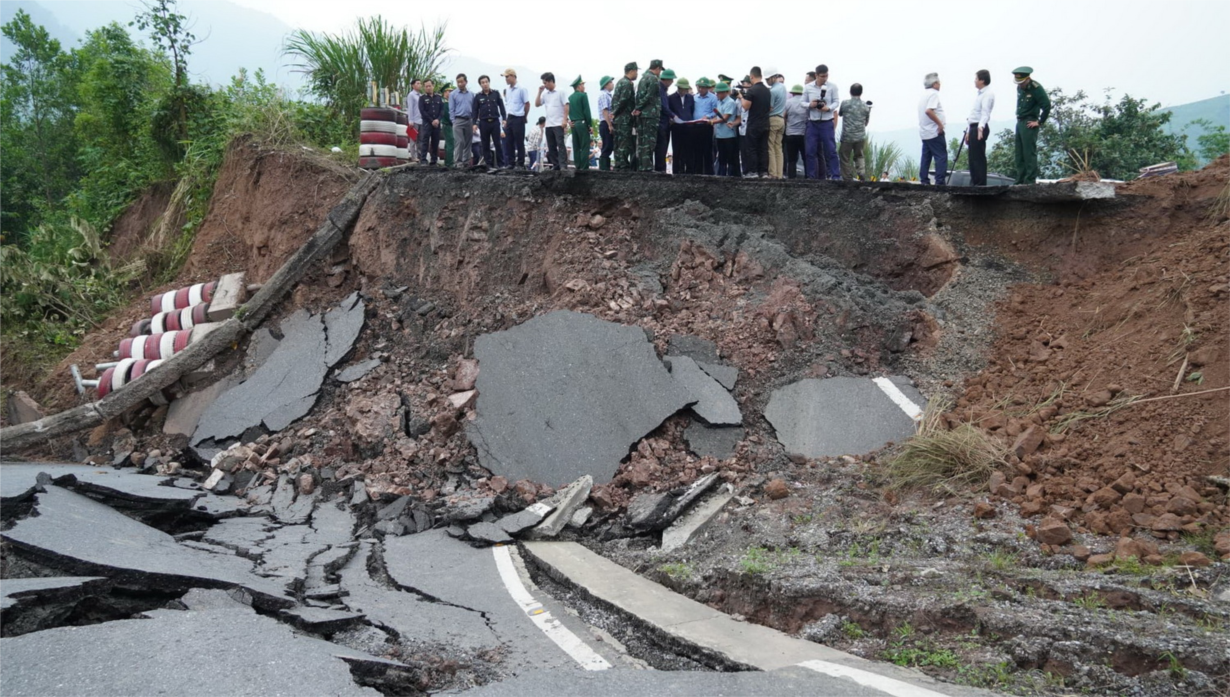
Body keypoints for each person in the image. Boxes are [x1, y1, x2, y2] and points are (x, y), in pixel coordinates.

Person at [1011, 66, 1050, 185]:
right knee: (1019, 153)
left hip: (1029, 122)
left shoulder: (1036, 88)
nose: (1020, 84)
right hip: (1020, 121)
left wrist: (1039, 122)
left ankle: (1029, 180)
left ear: (1028, 78)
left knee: (1029, 152)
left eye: (1022, 82)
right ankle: (1020, 179)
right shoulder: (1020, 88)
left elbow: (1046, 105)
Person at [803, 65, 840, 180]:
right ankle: (811, 176)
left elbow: (836, 101)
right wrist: (811, 104)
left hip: (826, 121)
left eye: (826, 75)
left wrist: (828, 108)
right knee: (810, 151)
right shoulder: (808, 87)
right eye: (822, 76)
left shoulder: (832, 86)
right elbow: (802, 102)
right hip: (813, 122)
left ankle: (835, 176)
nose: (825, 78)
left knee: (831, 150)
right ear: (816, 75)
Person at [739, 67, 772, 178]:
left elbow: (746, 106)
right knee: (763, 148)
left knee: (752, 148)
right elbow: (770, 107)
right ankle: (764, 172)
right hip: (766, 123)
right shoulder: (767, 90)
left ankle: (753, 171)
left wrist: (741, 97)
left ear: (752, 77)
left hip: (754, 123)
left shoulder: (752, 90)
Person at [965, 69, 995, 186]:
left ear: (982, 80)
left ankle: (980, 183)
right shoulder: (980, 94)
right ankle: (974, 181)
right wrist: (968, 130)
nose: (975, 81)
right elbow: (973, 114)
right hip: (973, 126)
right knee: (972, 157)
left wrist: (980, 128)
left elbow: (985, 113)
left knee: (978, 157)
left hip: (979, 127)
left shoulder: (988, 94)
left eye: (976, 79)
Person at [635, 60, 665, 172]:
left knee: (643, 141)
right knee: (649, 141)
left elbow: (639, 95)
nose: (660, 72)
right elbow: (649, 96)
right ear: (657, 68)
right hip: (651, 115)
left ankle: (642, 166)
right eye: (660, 70)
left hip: (643, 115)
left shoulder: (643, 78)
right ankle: (647, 167)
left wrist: (638, 108)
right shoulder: (653, 79)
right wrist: (639, 107)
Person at [536, 72, 569, 170]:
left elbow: (566, 105)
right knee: (551, 146)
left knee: (560, 144)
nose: (544, 85)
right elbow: (537, 104)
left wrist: (564, 119)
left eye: (545, 82)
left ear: (551, 81)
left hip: (558, 123)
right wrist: (539, 92)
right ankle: (556, 165)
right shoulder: (545, 93)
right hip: (549, 124)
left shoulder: (561, 91)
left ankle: (563, 165)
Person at [918, 72, 947, 185]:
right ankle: (940, 181)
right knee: (941, 156)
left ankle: (924, 180)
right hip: (934, 131)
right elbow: (929, 111)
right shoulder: (933, 94)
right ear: (935, 84)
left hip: (925, 132)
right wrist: (940, 124)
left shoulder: (923, 95)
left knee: (926, 157)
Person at [838, 83, 870, 180]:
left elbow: (840, 114)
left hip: (847, 136)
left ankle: (847, 177)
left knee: (844, 157)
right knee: (859, 156)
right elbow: (866, 122)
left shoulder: (845, 103)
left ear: (850, 92)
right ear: (861, 92)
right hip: (860, 137)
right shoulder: (866, 106)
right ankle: (861, 173)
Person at [474, 75, 507, 168]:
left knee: (498, 143)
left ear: (489, 82)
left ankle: (501, 164)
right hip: (484, 122)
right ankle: (489, 164)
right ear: (480, 84)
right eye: (482, 83)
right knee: (485, 144)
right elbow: (475, 111)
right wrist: (474, 124)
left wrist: (504, 118)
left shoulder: (496, 93)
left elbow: (502, 107)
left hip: (495, 121)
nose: (485, 84)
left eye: (486, 82)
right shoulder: (478, 96)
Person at [501, 69, 530, 170]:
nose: (506, 79)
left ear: (513, 76)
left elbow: (527, 104)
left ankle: (520, 163)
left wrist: (524, 116)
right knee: (509, 141)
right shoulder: (507, 89)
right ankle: (511, 162)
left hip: (519, 117)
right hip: (510, 117)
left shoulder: (522, 89)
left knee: (519, 141)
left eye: (507, 77)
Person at [611, 63, 638, 171]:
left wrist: (614, 114)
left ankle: (618, 163)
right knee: (624, 142)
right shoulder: (627, 84)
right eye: (636, 71)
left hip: (619, 119)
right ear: (631, 71)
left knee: (618, 142)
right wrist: (615, 112)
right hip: (624, 118)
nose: (637, 74)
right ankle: (623, 165)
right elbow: (624, 100)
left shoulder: (620, 82)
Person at [668, 76, 695, 174]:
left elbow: (691, 111)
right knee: (677, 149)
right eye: (682, 89)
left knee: (688, 150)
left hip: (688, 128)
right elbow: (669, 111)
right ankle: (676, 170)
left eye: (685, 89)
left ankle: (689, 171)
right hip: (676, 128)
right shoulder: (671, 98)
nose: (684, 91)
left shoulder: (690, 98)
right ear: (678, 88)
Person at [692, 77, 719, 175]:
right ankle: (697, 172)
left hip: (706, 126)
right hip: (695, 126)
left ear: (707, 88)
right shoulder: (694, 97)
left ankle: (709, 173)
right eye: (699, 87)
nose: (700, 89)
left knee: (707, 150)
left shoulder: (713, 98)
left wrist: (707, 116)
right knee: (696, 150)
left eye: (703, 87)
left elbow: (715, 111)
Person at [448, 74, 475, 169]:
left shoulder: (471, 94)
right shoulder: (453, 94)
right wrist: (453, 121)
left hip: (469, 120)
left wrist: (475, 121)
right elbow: (451, 109)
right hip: (458, 120)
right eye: (458, 82)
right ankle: (458, 162)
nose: (460, 84)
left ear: (466, 82)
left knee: (468, 141)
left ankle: (466, 161)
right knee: (460, 141)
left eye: (461, 82)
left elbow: (474, 108)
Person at [714, 82, 741, 177]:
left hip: (729, 135)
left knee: (731, 158)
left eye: (718, 93)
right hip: (720, 134)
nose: (717, 94)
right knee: (721, 158)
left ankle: (731, 177)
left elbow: (725, 118)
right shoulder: (719, 102)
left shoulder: (730, 102)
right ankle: (721, 176)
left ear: (724, 92)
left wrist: (711, 122)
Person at [655, 69, 680, 172]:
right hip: (661, 123)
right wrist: (674, 116)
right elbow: (663, 106)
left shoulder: (663, 89)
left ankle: (661, 169)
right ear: (667, 80)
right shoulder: (660, 89)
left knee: (663, 148)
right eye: (671, 80)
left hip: (664, 123)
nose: (672, 82)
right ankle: (660, 170)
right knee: (661, 148)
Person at [765, 67, 787, 178]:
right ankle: (779, 173)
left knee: (770, 147)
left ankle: (773, 173)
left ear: (773, 78)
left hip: (773, 119)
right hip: (781, 119)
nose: (766, 81)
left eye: (767, 79)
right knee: (778, 147)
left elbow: (770, 108)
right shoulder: (783, 87)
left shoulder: (773, 91)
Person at [417, 80, 444, 165]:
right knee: (425, 141)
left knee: (435, 142)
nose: (428, 88)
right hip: (427, 123)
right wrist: (431, 120)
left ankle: (434, 160)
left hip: (437, 123)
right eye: (426, 86)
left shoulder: (439, 98)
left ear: (433, 86)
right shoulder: (422, 98)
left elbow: (442, 110)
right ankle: (423, 159)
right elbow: (422, 111)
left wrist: (438, 119)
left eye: (429, 86)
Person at [784, 84, 808, 179]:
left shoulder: (788, 102)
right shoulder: (805, 104)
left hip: (790, 134)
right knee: (805, 157)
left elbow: (783, 116)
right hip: (803, 134)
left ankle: (791, 178)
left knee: (791, 159)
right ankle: (808, 177)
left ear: (792, 93)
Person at [568, 76, 592, 170]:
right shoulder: (583, 96)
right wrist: (589, 125)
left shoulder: (570, 97)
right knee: (585, 146)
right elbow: (587, 111)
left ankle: (577, 165)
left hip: (573, 124)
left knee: (576, 146)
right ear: (579, 86)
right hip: (582, 123)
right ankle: (584, 167)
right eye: (583, 85)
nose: (584, 87)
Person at [598, 75, 615, 170]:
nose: (612, 84)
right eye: (611, 82)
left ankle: (605, 167)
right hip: (605, 123)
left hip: (606, 122)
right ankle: (604, 168)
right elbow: (605, 111)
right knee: (607, 146)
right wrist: (609, 125)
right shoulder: (604, 95)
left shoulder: (608, 95)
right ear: (606, 85)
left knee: (609, 145)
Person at [405, 78, 422, 145]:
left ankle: (419, 155)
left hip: (421, 120)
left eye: (420, 83)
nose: (419, 85)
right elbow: (410, 108)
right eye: (417, 83)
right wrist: (410, 120)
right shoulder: (411, 95)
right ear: (413, 85)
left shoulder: (421, 95)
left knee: (421, 140)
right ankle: (413, 155)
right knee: (413, 140)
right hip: (414, 121)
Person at [441, 86, 454, 167]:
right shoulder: (444, 103)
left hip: (449, 125)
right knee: (450, 144)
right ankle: (449, 163)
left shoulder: (449, 102)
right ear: (445, 93)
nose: (451, 93)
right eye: (449, 91)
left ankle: (448, 162)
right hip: (448, 125)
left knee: (448, 144)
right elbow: (447, 115)